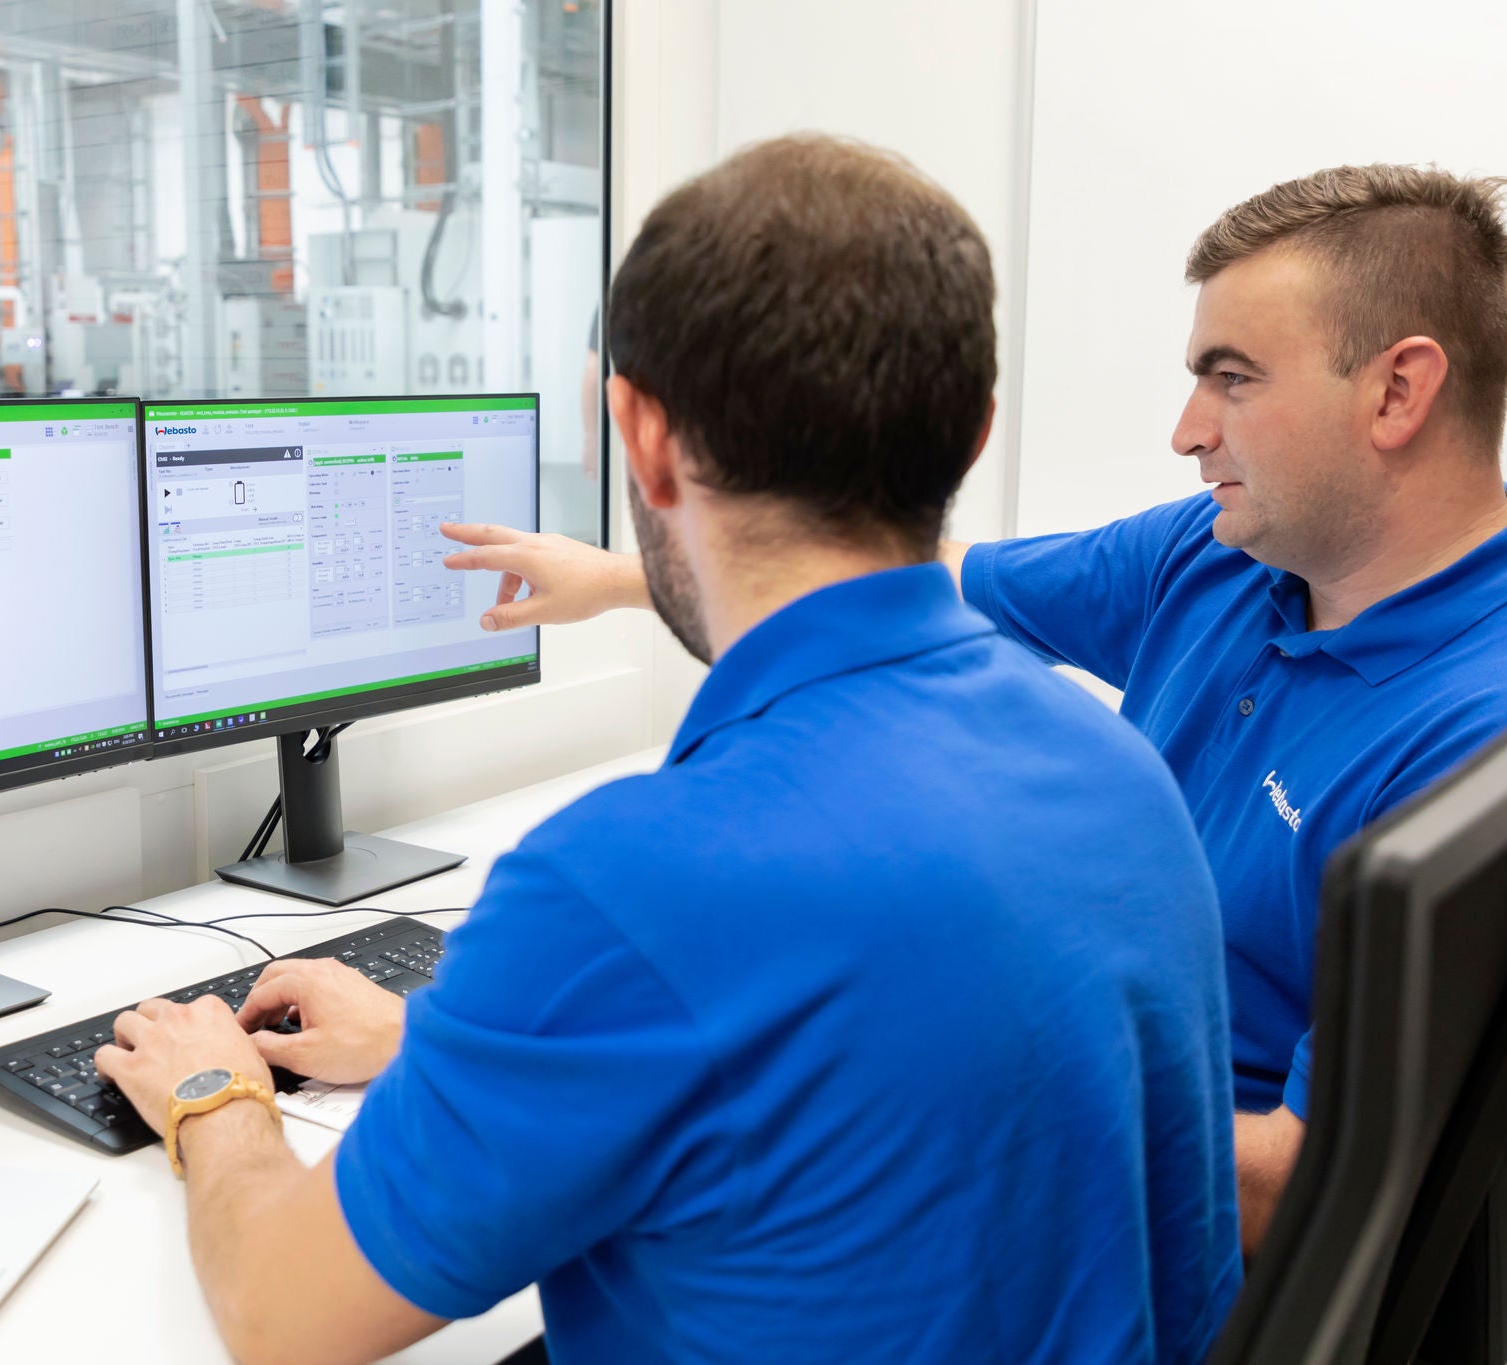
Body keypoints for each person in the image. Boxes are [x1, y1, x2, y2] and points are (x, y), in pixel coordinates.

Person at [97, 135, 1240, 1365]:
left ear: (638, 435)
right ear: (970, 434)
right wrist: (436, 1042)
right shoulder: (1119, 770)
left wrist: (218, 1101)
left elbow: (282, 1316)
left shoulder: (628, 885)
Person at [443, 162, 1507, 1253]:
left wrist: (927, 1072)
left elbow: (1312, 1189)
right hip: (1084, 1124)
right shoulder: (1224, 554)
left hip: (1148, 1248)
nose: (1185, 430)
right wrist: (635, 572)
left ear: (1396, 391)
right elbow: (918, 569)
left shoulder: (1487, 725)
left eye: (1232, 378)